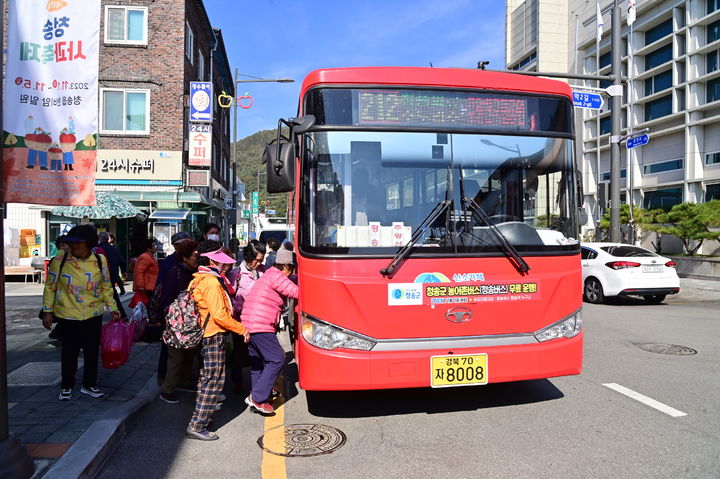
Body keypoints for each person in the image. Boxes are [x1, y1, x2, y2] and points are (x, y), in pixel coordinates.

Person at [41, 224, 120, 400]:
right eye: (72, 244)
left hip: (93, 314)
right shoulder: (60, 259)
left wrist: (113, 308)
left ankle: (89, 385)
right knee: (69, 352)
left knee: (92, 352)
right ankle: (67, 385)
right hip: (68, 315)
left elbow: (106, 286)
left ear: (89, 244)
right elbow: (50, 286)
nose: (74, 247)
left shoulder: (100, 260)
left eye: (78, 244)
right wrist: (47, 311)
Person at [186, 247, 249, 441]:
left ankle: (202, 419)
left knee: (207, 379)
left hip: (206, 334)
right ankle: (197, 424)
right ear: (214, 263)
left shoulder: (198, 279)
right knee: (213, 381)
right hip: (213, 334)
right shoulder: (212, 283)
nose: (227, 265)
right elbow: (220, 315)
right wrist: (241, 329)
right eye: (224, 262)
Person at [241, 247, 299, 415]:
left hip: (249, 323)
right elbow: (296, 292)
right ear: (287, 267)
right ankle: (257, 398)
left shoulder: (270, 273)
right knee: (277, 359)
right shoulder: (278, 276)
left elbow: (292, 281)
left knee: (258, 363)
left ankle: (261, 393)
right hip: (260, 325)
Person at [158, 240, 199, 404]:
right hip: (176, 322)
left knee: (190, 354)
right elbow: (165, 299)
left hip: (191, 321)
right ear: (184, 257)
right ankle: (167, 389)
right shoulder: (174, 272)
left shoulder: (194, 272)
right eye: (194, 255)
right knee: (175, 357)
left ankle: (184, 381)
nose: (196, 258)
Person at [226, 240, 266, 393]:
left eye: (261, 260)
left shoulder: (264, 271)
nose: (258, 263)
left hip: (260, 321)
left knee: (258, 354)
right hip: (241, 322)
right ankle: (237, 383)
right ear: (249, 257)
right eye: (256, 260)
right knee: (239, 353)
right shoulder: (236, 274)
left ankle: (258, 385)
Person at [97, 232, 127, 319]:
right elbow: (122, 260)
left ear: (100, 239)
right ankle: (122, 315)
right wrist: (124, 271)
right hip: (112, 275)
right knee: (113, 296)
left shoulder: (98, 249)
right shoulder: (114, 249)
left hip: (100, 276)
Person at [132, 238, 159, 305]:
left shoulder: (150, 256)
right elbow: (139, 271)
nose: (156, 247)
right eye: (154, 246)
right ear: (148, 248)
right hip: (146, 288)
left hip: (150, 286)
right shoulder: (146, 257)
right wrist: (140, 286)